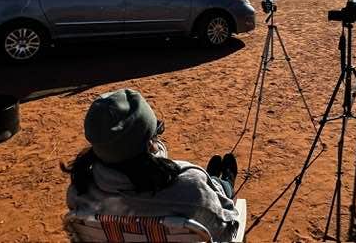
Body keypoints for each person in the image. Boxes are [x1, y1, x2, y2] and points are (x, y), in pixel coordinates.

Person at [64, 88, 241, 240]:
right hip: (201, 195)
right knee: (219, 188)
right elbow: (224, 230)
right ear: (150, 143)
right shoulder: (190, 186)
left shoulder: (79, 191)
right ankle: (224, 181)